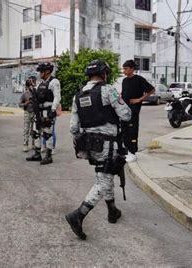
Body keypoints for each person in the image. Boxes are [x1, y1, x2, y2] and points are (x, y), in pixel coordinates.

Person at [65, 59, 131, 240]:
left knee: (105, 175)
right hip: (107, 143)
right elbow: (126, 115)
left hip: (89, 145)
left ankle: (112, 210)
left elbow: (73, 127)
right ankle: (78, 215)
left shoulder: (78, 95)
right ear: (104, 74)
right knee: (103, 180)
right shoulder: (108, 90)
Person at [26, 62, 61, 165]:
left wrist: (53, 110)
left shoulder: (54, 82)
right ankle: (37, 153)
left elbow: (57, 97)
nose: (40, 73)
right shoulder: (41, 83)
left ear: (47, 71)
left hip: (48, 111)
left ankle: (49, 156)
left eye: (41, 71)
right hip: (39, 112)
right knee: (35, 132)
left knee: (47, 133)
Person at [120, 60, 155, 162]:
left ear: (132, 69)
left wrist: (139, 99)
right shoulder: (124, 81)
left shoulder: (139, 79)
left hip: (133, 111)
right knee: (124, 132)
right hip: (124, 111)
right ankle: (127, 151)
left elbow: (151, 90)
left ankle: (133, 152)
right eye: (123, 69)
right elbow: (123, 93)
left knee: (132, 132)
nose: (124, 71)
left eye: (126, 69)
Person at [19, 79, 35, 152]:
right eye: (29, 85)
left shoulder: (35, 93)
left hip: (34, 112)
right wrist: (26, 103)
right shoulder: (24, 94)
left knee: (34, 129)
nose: (30, 86)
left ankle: (34, 144)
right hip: (27, 112)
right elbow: (19, 104)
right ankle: (25, 144)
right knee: (26, 129)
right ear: (26, 86)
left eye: (31, 85)